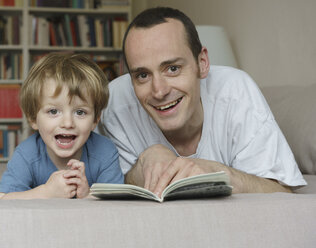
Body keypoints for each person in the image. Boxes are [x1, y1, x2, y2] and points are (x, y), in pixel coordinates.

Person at [97, 7, 306, 197]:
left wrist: (218, 173)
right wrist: (143, 163)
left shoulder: (235, 90)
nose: (159, 91)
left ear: (202, 63)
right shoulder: (116, 101)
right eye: (142, 75)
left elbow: (281, 191)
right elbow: (108, 182)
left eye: (172, 69)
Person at [0, 52, 124, 200]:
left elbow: (117, 204)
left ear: (95, 119)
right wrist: (46, 192)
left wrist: (88, 195)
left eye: (80, 112)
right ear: (33, 118)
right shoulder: (26, 154)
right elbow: (2, 199)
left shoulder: (105, 152)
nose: (68, 123)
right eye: (53, 111)